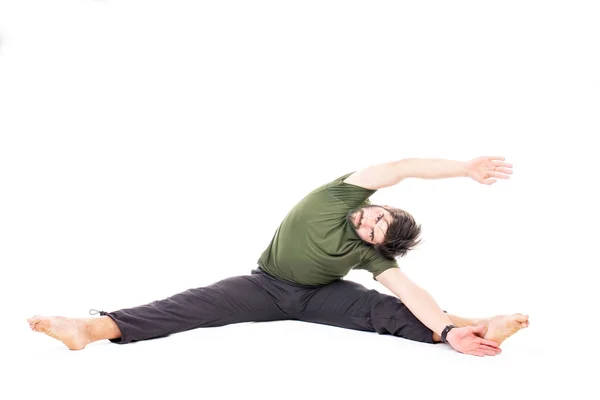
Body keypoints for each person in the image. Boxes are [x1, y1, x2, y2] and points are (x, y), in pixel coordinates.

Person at [28, 156, 529, 357]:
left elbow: (409, 290)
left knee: (389, 312)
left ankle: (471, 329)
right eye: (377, 214)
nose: (369, 222)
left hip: (319, 297)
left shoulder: (368, 254)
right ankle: (88, 329)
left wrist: (444, 333)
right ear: (374, 203)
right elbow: (401, 167)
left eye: (377, 231)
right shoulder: (341, 195)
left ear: (377, 245)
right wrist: (464, 168)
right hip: (265, 285)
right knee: (190, 305)